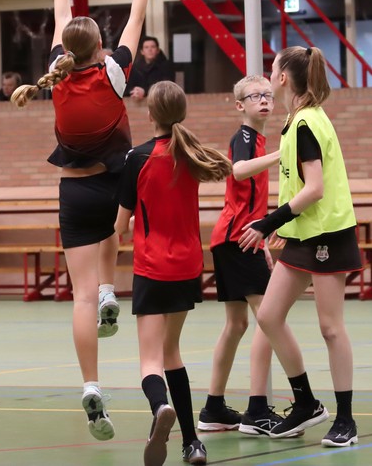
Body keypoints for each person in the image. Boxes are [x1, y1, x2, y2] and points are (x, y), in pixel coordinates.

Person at [12, 0, 168, 441]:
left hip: (75, 192)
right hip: (118, 185)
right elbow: (137, 16)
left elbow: (62, 14)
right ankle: (108, 290)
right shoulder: (114, 73)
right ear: (100, 47)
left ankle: (91, 385)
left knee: (78, 299)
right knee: (113, 232)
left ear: (66, 49)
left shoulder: (56, 77)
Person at [240, 46, 362, 448]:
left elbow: (315, 189)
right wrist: (286, 227)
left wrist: (268, 223)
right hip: (302, 234)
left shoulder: (308, 122)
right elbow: (298, 186)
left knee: (331, 328)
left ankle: (345, 419)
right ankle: (306, 402)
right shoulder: (295, 121)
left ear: (282, 79)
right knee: (269, 316)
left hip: (328, 234)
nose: (268, 75)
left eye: (272, 69)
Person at [115, 81, 231, 466]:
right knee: (172, 353)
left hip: (152, 266)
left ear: (150, 114)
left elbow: (120, 224)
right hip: (187, 266)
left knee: (151, 360)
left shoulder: (137, 158)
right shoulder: (191, 156)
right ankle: (192, 442)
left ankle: (159, 406)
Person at [197, 75, 289, 437]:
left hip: (237, 239)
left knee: (236, 325)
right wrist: (282, 155)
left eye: (268, 95)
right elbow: (236, 170)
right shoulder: (245, 138)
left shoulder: (259, 140)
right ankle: (257, 410)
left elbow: (252, 200)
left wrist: (263, 241)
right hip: (236, 239)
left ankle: (213, 407)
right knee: (269, 317)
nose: (264, 100)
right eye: (255, 96)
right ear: (240, 105)